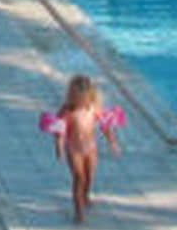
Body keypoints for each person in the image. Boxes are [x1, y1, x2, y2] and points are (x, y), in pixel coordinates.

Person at [47, 74, 123, 222]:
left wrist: (112, 142)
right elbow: (59, 131)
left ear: (89, 97)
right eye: (76, 99)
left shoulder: (94, 109)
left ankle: (86, 196)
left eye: (82, 99)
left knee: (89, 176)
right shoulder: (67, 111)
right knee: (78, 178)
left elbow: (105, 126)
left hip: (91, 148)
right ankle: (78, 210)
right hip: (74, 150)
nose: (79, 102)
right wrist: (59, 147)